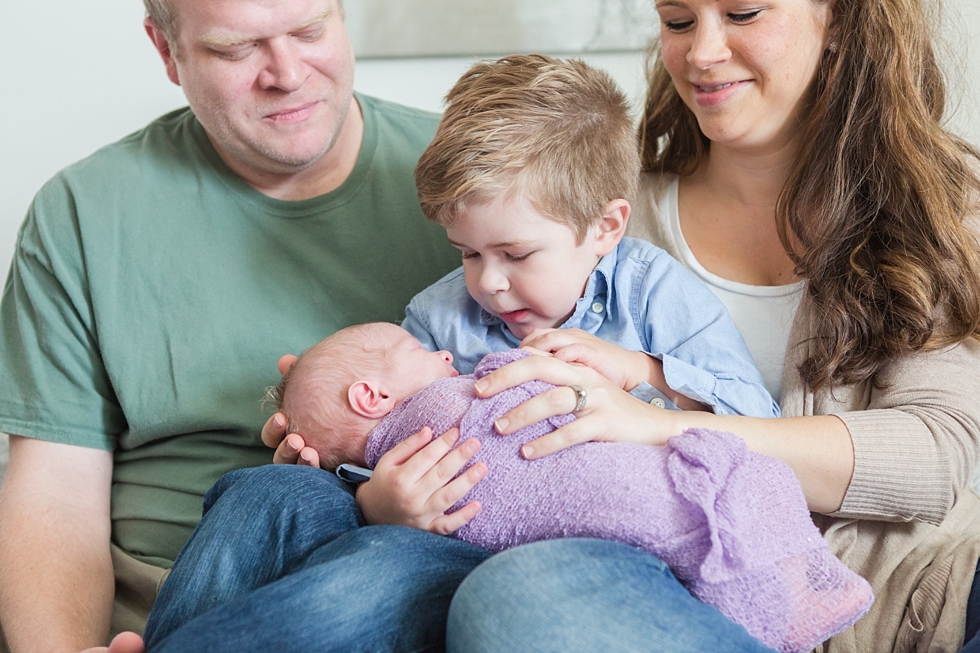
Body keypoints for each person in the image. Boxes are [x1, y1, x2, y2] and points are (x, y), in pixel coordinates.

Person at [141, 54, 794, 653]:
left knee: (365, 582)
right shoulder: (439, 315)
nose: (489, 282)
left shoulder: (652, 293)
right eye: (468, 252)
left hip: (609, 545)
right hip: (453, 541)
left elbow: (757, 425)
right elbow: (384, 433)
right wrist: (375, 500)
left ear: (606, 227)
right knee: (275, 489)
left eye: (515, 254)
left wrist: (641, 373)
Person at [432, 1, 980, 652]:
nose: (701, 53)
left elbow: (935, 454)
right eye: (679, 20)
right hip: (677, 596)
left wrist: (662, 423)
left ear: (838, 18)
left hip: (912, 602)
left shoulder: (937, 200)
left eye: (743, 12)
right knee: (509, 596)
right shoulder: (601, 222)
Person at [0, 0, 494, 651]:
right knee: (271, 493)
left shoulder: (482, 183)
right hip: (162, 596)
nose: (287, 72)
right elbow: (54, 493)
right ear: (166, 51)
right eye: (237, 48)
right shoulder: (84, 213)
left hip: (403, 580)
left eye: (311, 30)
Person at [263, 321, 873, 653]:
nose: (448, 355)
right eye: (420, 350)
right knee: (258, 490)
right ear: (371, 397)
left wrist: (640, 383)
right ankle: (785, 589)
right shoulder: (443, 398)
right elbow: (510, 394)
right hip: (599, 522)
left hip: (587, 536)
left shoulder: (650, 288)